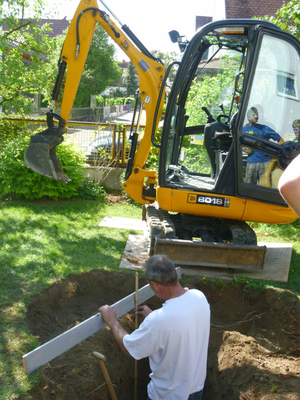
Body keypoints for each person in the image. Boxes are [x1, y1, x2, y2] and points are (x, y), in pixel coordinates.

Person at [99, 255, 211, 400]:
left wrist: (112, 321)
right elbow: (180, 326)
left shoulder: (159, 320)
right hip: (195, 390)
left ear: (156, 285)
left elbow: (127, 348)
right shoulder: (199, 298)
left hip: (168, 396)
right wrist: (154, 317)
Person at [242, 106, 283, 185]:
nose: (256, 116)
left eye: (257, 114)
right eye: (254, 114)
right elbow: (236, 140)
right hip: (251, 162)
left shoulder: (265, 128)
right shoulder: (243, 130)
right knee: (249, 188)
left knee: (265, 187)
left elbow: (280, 140)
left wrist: (273, 154)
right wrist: (244, 149)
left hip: (265, 163)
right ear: (248, 117)